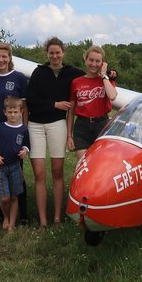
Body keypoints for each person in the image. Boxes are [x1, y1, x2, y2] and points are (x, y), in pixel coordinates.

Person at [26, 37, 83, 228]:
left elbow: (91, 76)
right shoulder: (38, 72)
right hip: (35, 125)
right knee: (39, 174)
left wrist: (108, 74)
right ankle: (43, 220)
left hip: (58, 124)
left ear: (63, 53)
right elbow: (31, 100)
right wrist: (54, 104)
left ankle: (57, 217)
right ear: (47, 54)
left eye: (58, 52)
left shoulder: (72, 73)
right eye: (51, 53)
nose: (55, 56)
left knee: (58, 172)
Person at [0, 42, 30, 224]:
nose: (1, 60)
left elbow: (24, 107)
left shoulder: (19, 78)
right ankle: (0, 214)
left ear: (10, 58)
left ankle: (23, 215)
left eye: (4, 56)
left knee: (16, 172)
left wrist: (23, 130)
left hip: (13, 131)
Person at [67, 45, 118, 162]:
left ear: (102, 63)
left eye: (97, 61)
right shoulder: (76, 82)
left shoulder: (106, 80)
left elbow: (112, 96)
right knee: (83, 165)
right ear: (85, 60)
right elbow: (71, 111)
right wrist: (69, 136)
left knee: (101, 163)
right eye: (91, 60)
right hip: (81, 127)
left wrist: (104, 75)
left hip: (102, 125)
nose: (94, 64)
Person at [0, 96, 30, 233]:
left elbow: (26, 144)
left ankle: (12, 224)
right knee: (5, 197)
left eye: (15, 112)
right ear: (5, 112)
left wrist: (25, 151)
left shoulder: (23, 129)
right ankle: (5, 216)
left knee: (14, 196)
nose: (13, 115)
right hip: (0, 166)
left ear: (21, 112)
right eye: (10, 112)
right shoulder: (0, 128)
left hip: (15, 166)